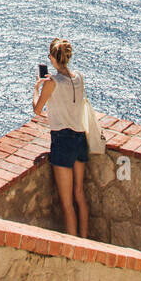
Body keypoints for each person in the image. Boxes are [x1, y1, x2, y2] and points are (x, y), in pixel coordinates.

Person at [32, 38, 89, 237]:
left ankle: (75, 247)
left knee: (66, 203)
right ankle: (85, 240)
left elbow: (38, 111)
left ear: (52, 58)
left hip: (63, 141)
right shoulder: (79, 77)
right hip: (81, 139)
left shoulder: (52, 83)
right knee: (79, 195)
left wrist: (36, 89)